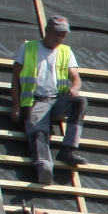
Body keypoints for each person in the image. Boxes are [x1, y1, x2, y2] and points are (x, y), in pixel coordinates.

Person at [16, 15, 86, 185]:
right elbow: (15, 79)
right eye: (57, 34)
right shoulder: (28, 48)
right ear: (47, 30)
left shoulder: (65, 52)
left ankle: (68, 150)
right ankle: (44, 167)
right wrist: (16, 107)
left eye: (63, 36)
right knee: (38, 131)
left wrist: (74, 88)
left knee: (80, 101)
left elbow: (76, 78)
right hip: (36, 101)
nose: (59, 39)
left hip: (57, 100)